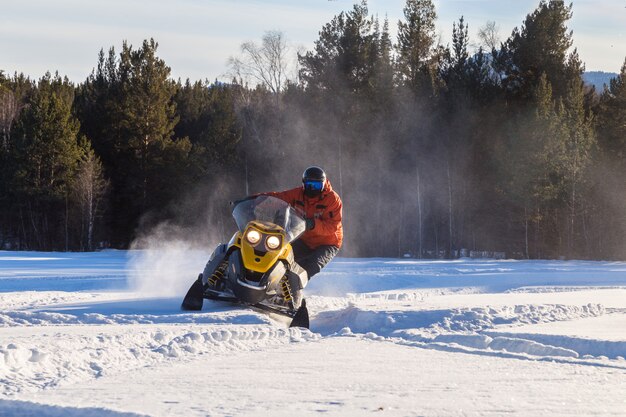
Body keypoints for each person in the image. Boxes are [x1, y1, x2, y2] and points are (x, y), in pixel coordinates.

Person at [257, 166, 343, 308]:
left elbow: (333, 226)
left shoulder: (332, 199)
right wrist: (257, 200)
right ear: (303, 183)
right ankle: (265, 286)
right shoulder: (298, 194)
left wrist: (313, 224)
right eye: (309, 184)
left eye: (316, 185)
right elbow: (278, 197)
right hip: (305, 238)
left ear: (324, 184)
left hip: (328, 242)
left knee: (309, 266)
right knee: (282, 258)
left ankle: (291, 297)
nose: (312, 189)